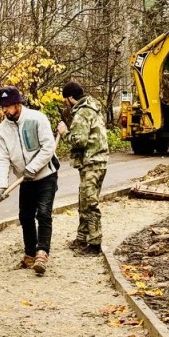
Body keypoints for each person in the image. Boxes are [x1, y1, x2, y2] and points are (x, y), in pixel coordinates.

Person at [0, 86, 58, 275]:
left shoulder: (37, 119)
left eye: (8, 106)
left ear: (17, 104)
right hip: (25, 180)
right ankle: (30, 253)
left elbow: (48, 147)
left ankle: (42, 253)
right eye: (2, 106)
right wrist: (2, 185)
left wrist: (33, 167)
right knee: (25, 216)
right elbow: (2, 159)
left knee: (44, 213)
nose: (5, 110)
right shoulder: (2, 131)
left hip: (46, 175)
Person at [56, 81, 109, 256]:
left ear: (71, 97)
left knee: (89, 203)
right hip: (96, 161)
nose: (65, 103)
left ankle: (94, 244)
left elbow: (79, 140)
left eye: (66, 99)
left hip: (91, 162)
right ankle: (82, 238)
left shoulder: (83, 112)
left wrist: (64, 132)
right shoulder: (92, 107)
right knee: (84, 201)